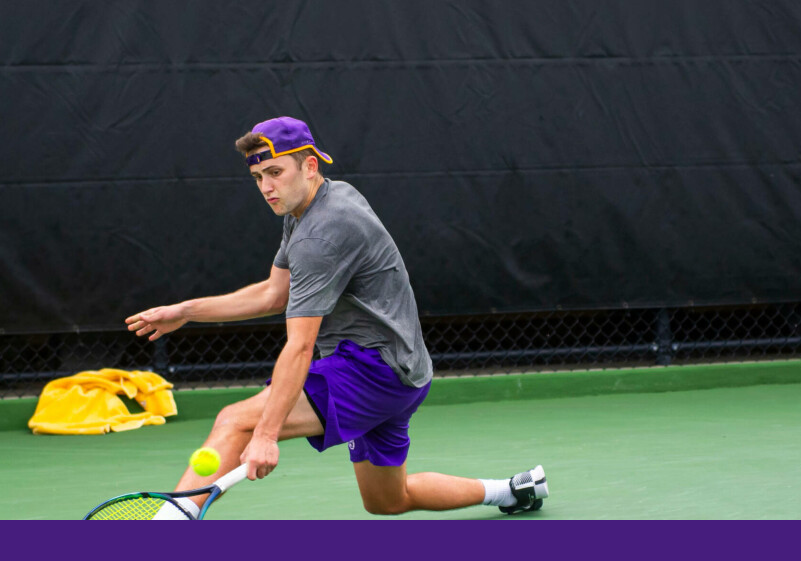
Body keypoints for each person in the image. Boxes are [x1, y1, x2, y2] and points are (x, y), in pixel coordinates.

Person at [125, 116, 548, 518]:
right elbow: (275, 292)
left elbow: (301, 345)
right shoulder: (323, 199)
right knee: (387, 500)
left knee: (235, 422)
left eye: (275, 173)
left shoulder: (321, 234)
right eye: (258, 178)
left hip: (372, 369)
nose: (266, 187)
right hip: (406, 372)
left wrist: (267, 435)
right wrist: (188, 311)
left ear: (309, 166)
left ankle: (166, 524)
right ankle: (513, 490)